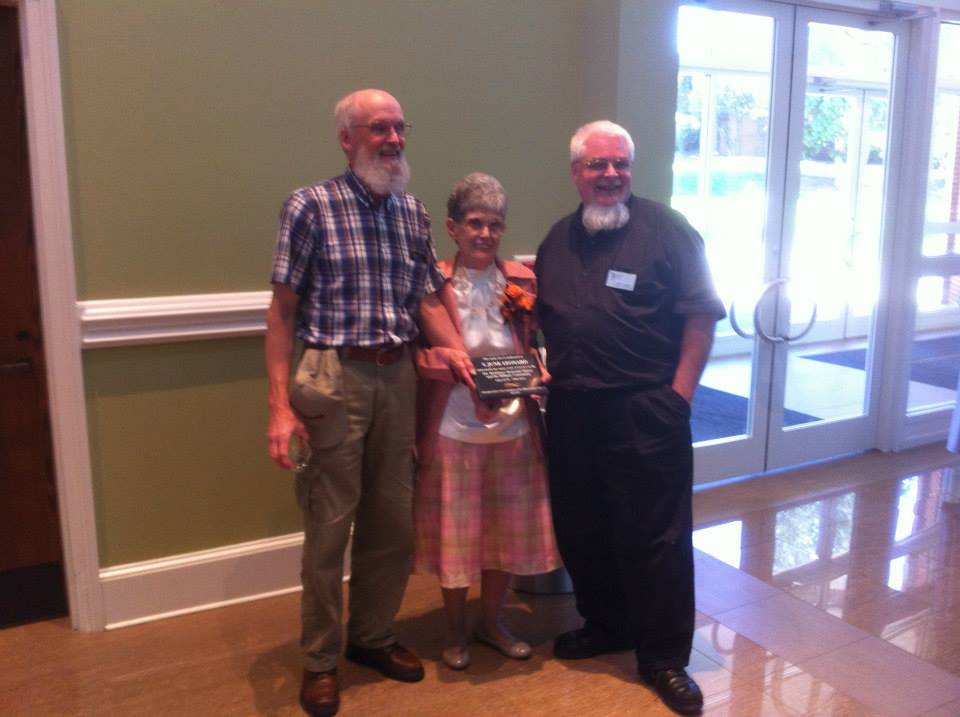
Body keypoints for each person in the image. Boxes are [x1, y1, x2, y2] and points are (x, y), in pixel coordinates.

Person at [265, 88, 473, 717]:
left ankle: (373, 636)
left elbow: (427, 301)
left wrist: (463, 354)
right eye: (379, 128)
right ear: (347, 137)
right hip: (333, 377)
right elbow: (282, 312)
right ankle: (321, 660)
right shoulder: (310, 206)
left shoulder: (411, 210)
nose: (393, 139)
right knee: (330, 530)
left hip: (398, 376)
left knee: (393, 523)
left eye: (400, 128)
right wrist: (278, 407)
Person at [534, 121, 725, 716]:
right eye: (596, 165)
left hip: (646, 408)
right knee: (583, 527)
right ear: (575, 173)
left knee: (656, 537)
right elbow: (538, 320)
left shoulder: (667, 231)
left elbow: (700, 315)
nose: (610, 175)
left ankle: (665, 655)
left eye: (619, 164)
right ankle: (607, 623)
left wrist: (679, 396)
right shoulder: (556, 241)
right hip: (570, 409)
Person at [412, 173, 561, 671]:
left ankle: (491, 621)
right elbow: (423, 356)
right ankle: (455, 628)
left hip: (515, 426)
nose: (485, 233)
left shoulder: (520, 280)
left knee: (502, 531)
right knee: (459, 534)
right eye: (475, 223)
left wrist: (538, 365)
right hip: (454, 425)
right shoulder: (431, 282)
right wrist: (454, 372)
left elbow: (531, 341)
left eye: (495, 224)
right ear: (453, 228)